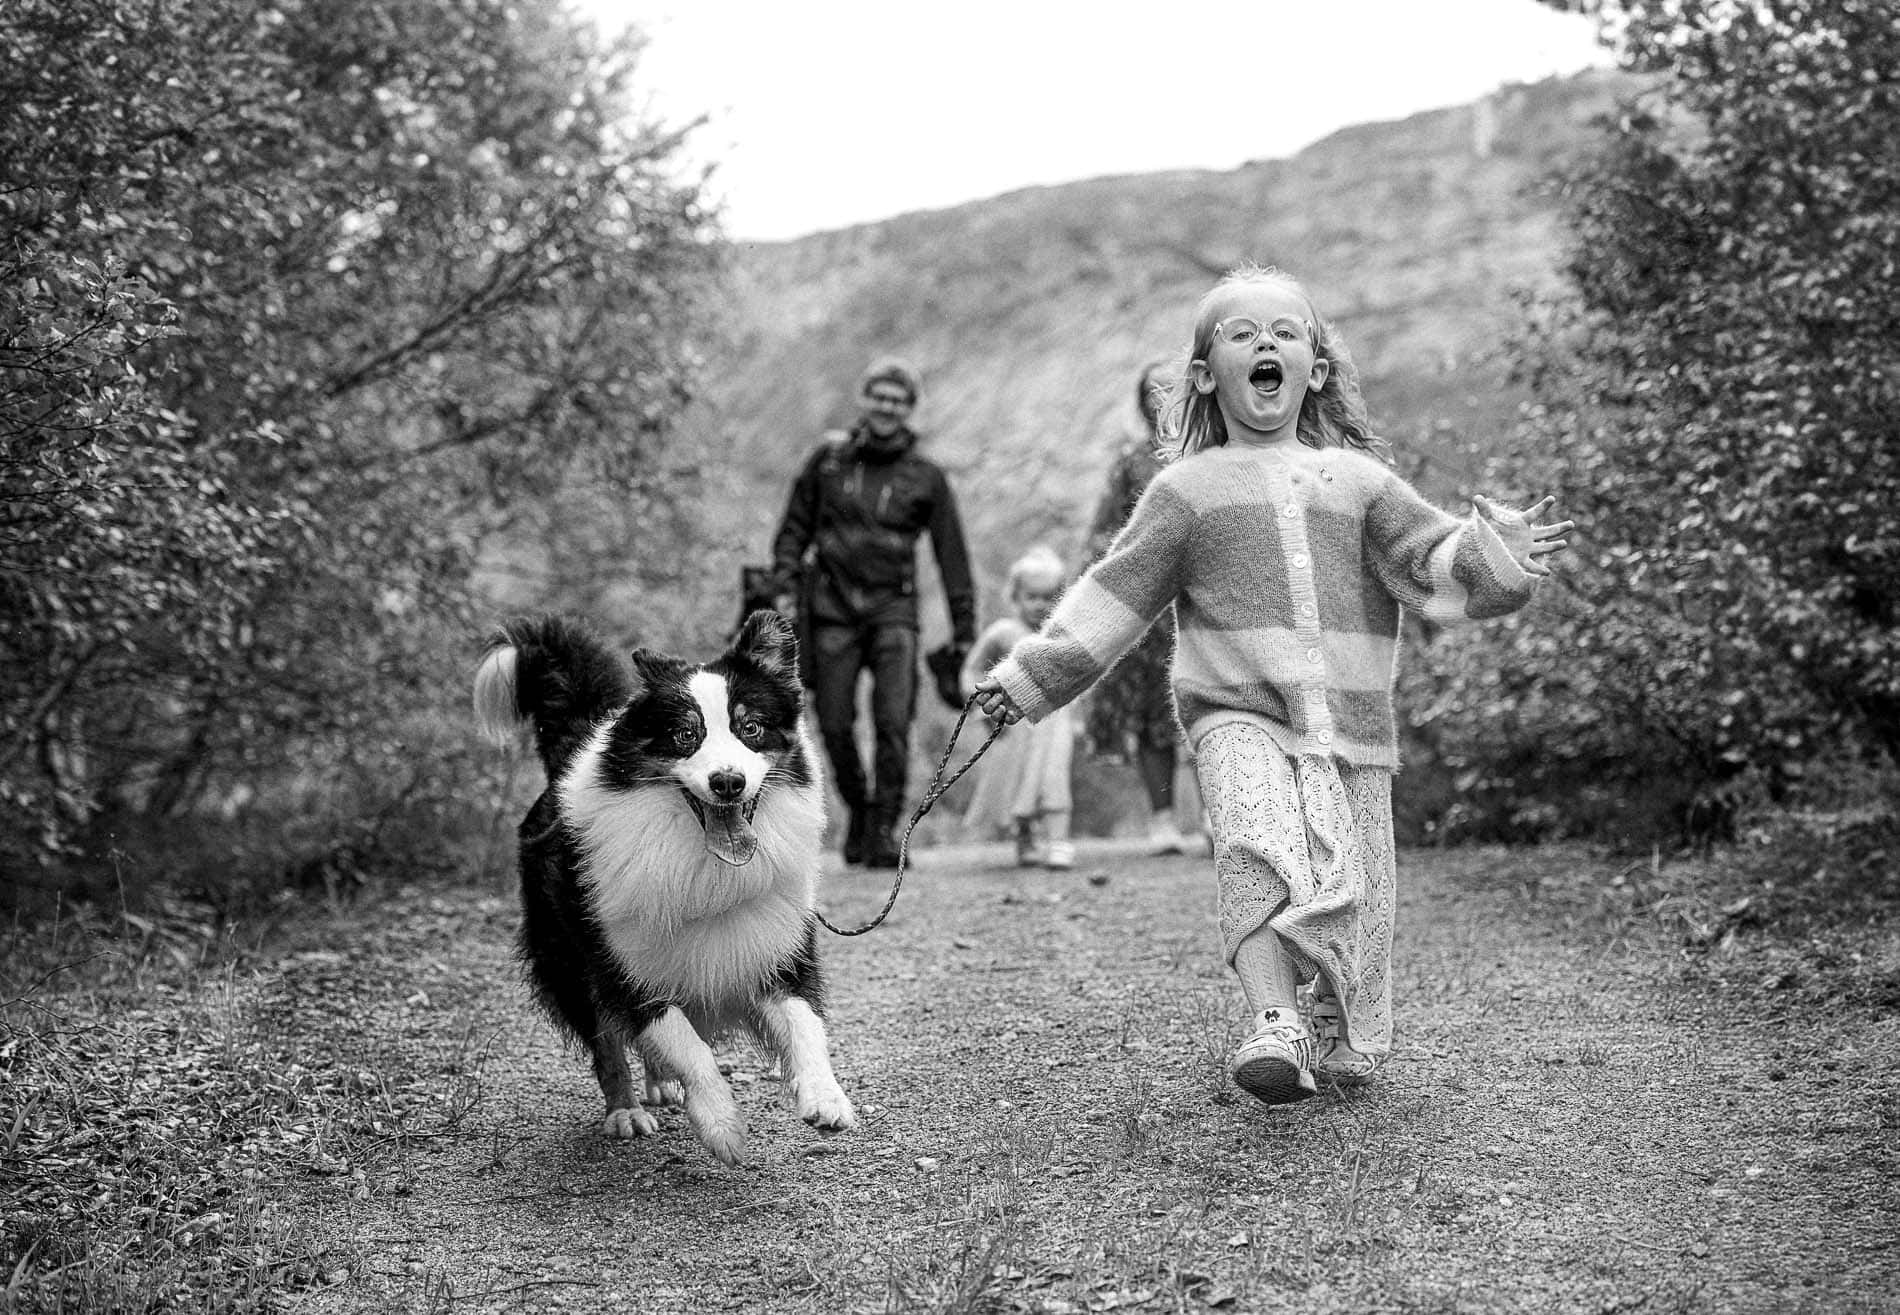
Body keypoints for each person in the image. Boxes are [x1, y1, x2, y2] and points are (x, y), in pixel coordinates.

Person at [975, 265, 1571, 1106]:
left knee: (1355, 889)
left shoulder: (1359, 484)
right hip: (1235, 713)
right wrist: (1030, 677)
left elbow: (1432, 560)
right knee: (1253, 845)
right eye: (1241, 333)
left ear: (1316, 369)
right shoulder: (1184, 492)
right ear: (1202, 374)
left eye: (1286, 333)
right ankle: (1273, 1019)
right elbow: (1115, 597)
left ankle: (1330, 1016)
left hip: (1351, 728)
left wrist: (1494, 551)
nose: (1265, 345)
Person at [770, 356, 977, 869]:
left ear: (910, 409)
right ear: (864, 400)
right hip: (831, 609)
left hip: (893, 610)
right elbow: (793, 530)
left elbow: (952, 555)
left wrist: (963, 630)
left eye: (898, 400)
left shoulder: (926, 476)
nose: (887, 407)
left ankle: (885, 828)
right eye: (879, 396)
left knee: (893, 722)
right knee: (834, 722)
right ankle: (859, 808)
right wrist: (782, 587)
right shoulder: (827, 461)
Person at [1083, 359, 1200, 856]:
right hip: (1154, 613)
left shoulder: (1212, 453)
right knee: (1156, 715)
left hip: (1207, 599)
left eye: (1171, 389)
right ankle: (1162, 820)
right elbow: (1102, 532)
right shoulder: (1130, 463)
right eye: (1153, 392)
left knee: (1217, 708)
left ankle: (1229, 822)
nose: (1162, 398)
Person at [959, 546, 1077, 870]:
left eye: (1048, 597)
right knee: (1020, 780)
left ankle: (1058, 840)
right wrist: (977, 707)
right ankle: (1025, 838)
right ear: (1016, 596)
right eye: (1031, 597)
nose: (1040, 605)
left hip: (1056, 721)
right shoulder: (1003, 633)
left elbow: (1080, 675)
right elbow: (971, 669)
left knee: (1054, 776)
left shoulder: (1063, 635)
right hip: (1015, 725)